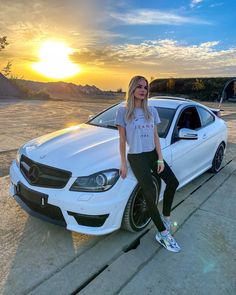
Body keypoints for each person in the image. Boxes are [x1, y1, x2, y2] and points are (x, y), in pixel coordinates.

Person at [115, 75, 181, 253]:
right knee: (150, 193)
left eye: (145, 87)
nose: (143, 90)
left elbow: (155, 136)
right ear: (132, 89)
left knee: (173, 182)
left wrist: (160, 158)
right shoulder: (123, 112)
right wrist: (123, 162)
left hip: (152, 154)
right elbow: (122, 141)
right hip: (136, 157)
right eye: (139, 87)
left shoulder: (151, 111)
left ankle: (166, 217)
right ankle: (163, 233)